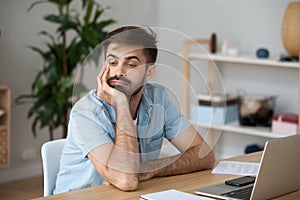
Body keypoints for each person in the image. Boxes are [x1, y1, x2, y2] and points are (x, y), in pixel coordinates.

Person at [53, 26, 215, 194]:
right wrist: (121, 105)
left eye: (131, 64)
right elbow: (127, 180)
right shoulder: (86, 112)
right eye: (112, 62)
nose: (119, 72)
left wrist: (151, 168)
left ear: (149, 72)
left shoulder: (158, 99)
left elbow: (205, 155)